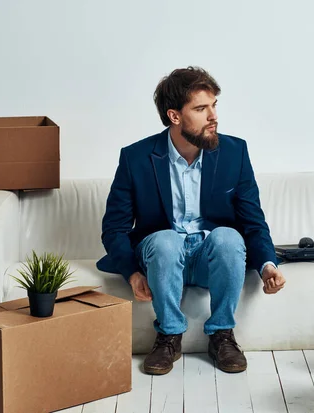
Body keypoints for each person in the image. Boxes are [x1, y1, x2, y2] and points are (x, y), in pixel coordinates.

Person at [98, 66, 286, 375]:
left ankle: (222, 334)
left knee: (228, 237)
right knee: (166, 239)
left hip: (209, 258)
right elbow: (114, 229)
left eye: (214, 106)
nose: (213, 116)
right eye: (201, 108)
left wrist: (267, 265)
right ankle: (169, 334)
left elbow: (253, 220)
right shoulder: (136, 158)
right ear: (174, 116)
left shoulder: (234, 152)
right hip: (162, 258)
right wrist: (132, 273)